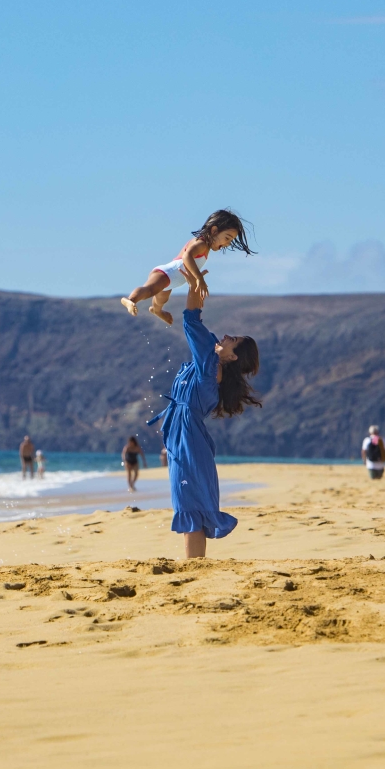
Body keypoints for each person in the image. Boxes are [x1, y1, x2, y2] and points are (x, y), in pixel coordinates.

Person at [147, 277, 260, 558]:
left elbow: (191, 323)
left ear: (232, 357)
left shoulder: (211, 367)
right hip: (185, 436)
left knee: (188, 502)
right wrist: (194, 280)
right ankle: (195, 565)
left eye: (232, 341)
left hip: (189, 440)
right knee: (189, 501)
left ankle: (193, 567)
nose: (226, 337)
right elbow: (195, 318)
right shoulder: (211, 357)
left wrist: (193, 280)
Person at [120, 209, 254, 326]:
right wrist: (199, 278)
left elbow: (191, 265)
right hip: (166, 273)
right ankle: (130, 300)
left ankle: (156, 310)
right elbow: (186, 257)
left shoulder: (205, 247)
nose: (228, 244)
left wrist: (197, 283)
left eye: (230, 240)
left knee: (162, 299)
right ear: (214, 231)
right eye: (227, 238)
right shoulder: (201, 243)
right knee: (150, 290)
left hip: (172, 280)